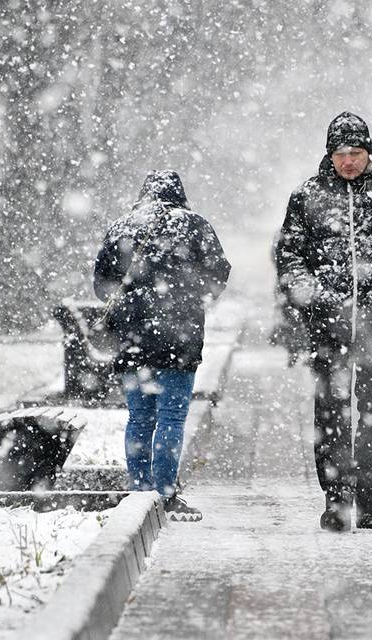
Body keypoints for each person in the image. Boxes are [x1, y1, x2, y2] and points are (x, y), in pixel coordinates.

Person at [274, 111, 372, 532]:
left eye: (356, 152)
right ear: (329, 155)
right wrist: (310, 296)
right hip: (326, 327)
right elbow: (290, 258)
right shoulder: (307, 196)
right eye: (341, 153)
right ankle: (335, 497)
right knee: (330, 411)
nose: (348, 161)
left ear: (370, 151)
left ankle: (366, 491)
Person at [94, 170, 230, 522]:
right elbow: (219, 272)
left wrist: (131, 306)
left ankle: (140, 490)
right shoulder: (195, 225)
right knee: (171, 416)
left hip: (132, 342)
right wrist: (193, 300)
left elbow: (101, 284)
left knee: (139, 417)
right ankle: (166, 492)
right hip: (179, 339)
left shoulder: (123, 226)